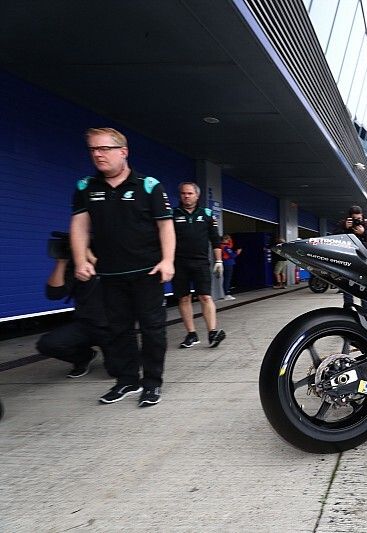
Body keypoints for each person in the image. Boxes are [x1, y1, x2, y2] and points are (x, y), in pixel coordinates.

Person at [71, 127, 175, 407]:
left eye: (104, 149)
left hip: (147, 272)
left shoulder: (149, 186)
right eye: (93, 149)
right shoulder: (85, 187)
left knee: (153, 330)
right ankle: (127, 380)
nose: (97, 155)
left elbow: (165, 225)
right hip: (110, 274)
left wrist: (167, 261)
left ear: (123, 152)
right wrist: (80, 260)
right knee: (118, 330)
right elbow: (80, 226)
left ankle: (152, 383)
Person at [36, 232, 110, 378]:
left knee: (118, 370)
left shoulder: (113, 257)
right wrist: (61, 262)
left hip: (114, 326)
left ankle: (129, 353)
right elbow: (54, 294)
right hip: (85, 325)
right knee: (47, 344)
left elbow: (113, 276)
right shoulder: (76, 267)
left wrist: (91, 257)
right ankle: (84, 357)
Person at [173, 182, 226, 349]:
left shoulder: (207, 214)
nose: (186, 196)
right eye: (183, 193)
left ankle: (212, 333)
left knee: (205, 297)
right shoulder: (173, 214)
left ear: (197, 195)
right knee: (183, 297)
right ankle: (191, 334)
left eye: (189, 193)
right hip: (179, 263)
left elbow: (215, 240)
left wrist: (219, 261)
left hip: (201, 262)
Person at [339, 205, 367, 310]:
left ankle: (366, 314)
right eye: (355, 219)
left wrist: (364, 233)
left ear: (362, 217)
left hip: (364, 260)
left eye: (359, 219)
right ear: (350, 218)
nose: (357, 221)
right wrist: (345, 228)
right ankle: (348, 312)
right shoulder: (345, 224)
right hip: (348, 259)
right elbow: (334, 238)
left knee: (364, 289)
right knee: (347, 288)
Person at [220, 234, 241, 298]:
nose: (229, 241)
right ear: (225, 239)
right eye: (228, 239)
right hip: (228, 263)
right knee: (227, 279)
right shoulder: (225, 247)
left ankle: (227, 292)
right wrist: (237, 252)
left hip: (226, 263)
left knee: (227, 278)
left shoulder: (222, 246)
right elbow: (232, 255)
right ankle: (227, 294)